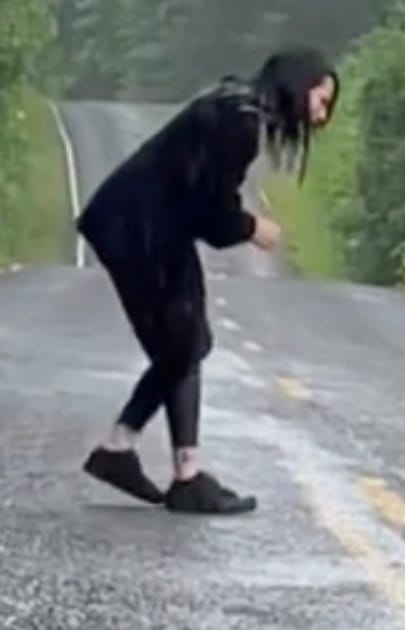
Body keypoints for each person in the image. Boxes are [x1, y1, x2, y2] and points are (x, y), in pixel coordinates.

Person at [76, 46, 339, 515]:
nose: (321, 118)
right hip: (138, 229)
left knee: (185, 344)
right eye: (321, 101)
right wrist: (252, 228)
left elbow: (197, 199)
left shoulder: (235, 106)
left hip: (145, 227)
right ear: (299, 88)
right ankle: (154, 464)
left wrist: (231, 222)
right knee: (183, 344)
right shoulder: (240, 123)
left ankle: (151, 462)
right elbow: (208, 212)